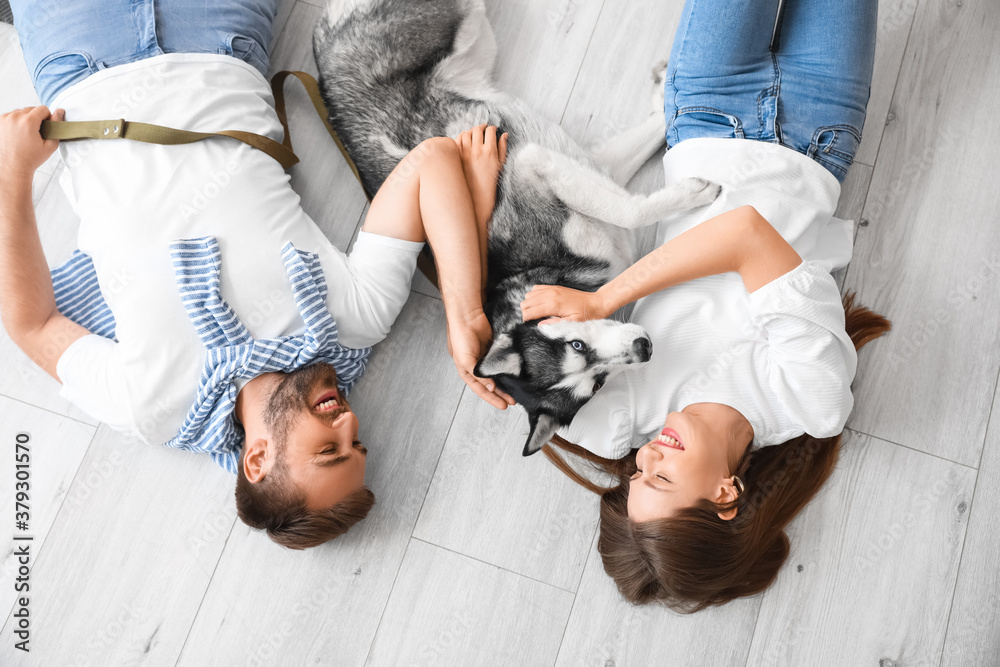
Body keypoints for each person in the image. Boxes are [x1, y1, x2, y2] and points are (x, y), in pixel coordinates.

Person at [0, 0, 511, 550]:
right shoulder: (354, 324)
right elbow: (432, 161)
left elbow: (33, 325)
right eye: (357, 444)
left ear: (259, 457)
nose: (348, 425)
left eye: (328, 450)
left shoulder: (154, 406)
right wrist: (466, 313)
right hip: (220, 33)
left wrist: (11, 171)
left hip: (85, 65)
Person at [519, 0, 891, 610]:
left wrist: (484, 345)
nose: (647, 456)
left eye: (637, 475)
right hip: (821, 129)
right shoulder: (809, 400)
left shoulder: (626, 418)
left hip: (708, 112)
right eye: (661, 478)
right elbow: (746, 234)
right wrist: (606, 301)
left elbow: (510, 358)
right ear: (726, 496)